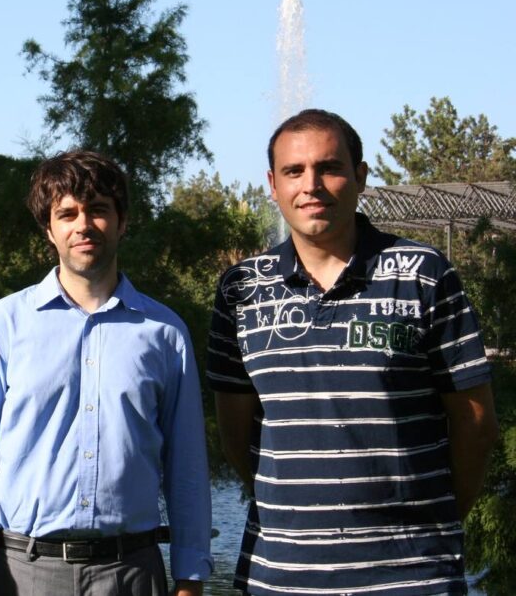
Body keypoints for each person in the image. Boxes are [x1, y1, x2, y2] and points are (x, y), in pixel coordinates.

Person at [207, 109, 498, 595]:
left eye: (330, 168)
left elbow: (475, 424)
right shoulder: (241, 289)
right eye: (294, 171)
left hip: (412, 578)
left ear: (360, 176)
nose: (311, 185)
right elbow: (236, 435)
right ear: (273, 185)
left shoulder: (423, 275)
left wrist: (430, 525)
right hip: (283, 578)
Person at [0, 150, 212, 596]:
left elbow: (186, 466)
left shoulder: (165, 333)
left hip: (132, 573)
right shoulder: (2, 325)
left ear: (123, 222)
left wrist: (190, 575)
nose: (83, 225)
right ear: (49, 229)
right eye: (67, 214)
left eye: (98, 210)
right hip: (22, 573)